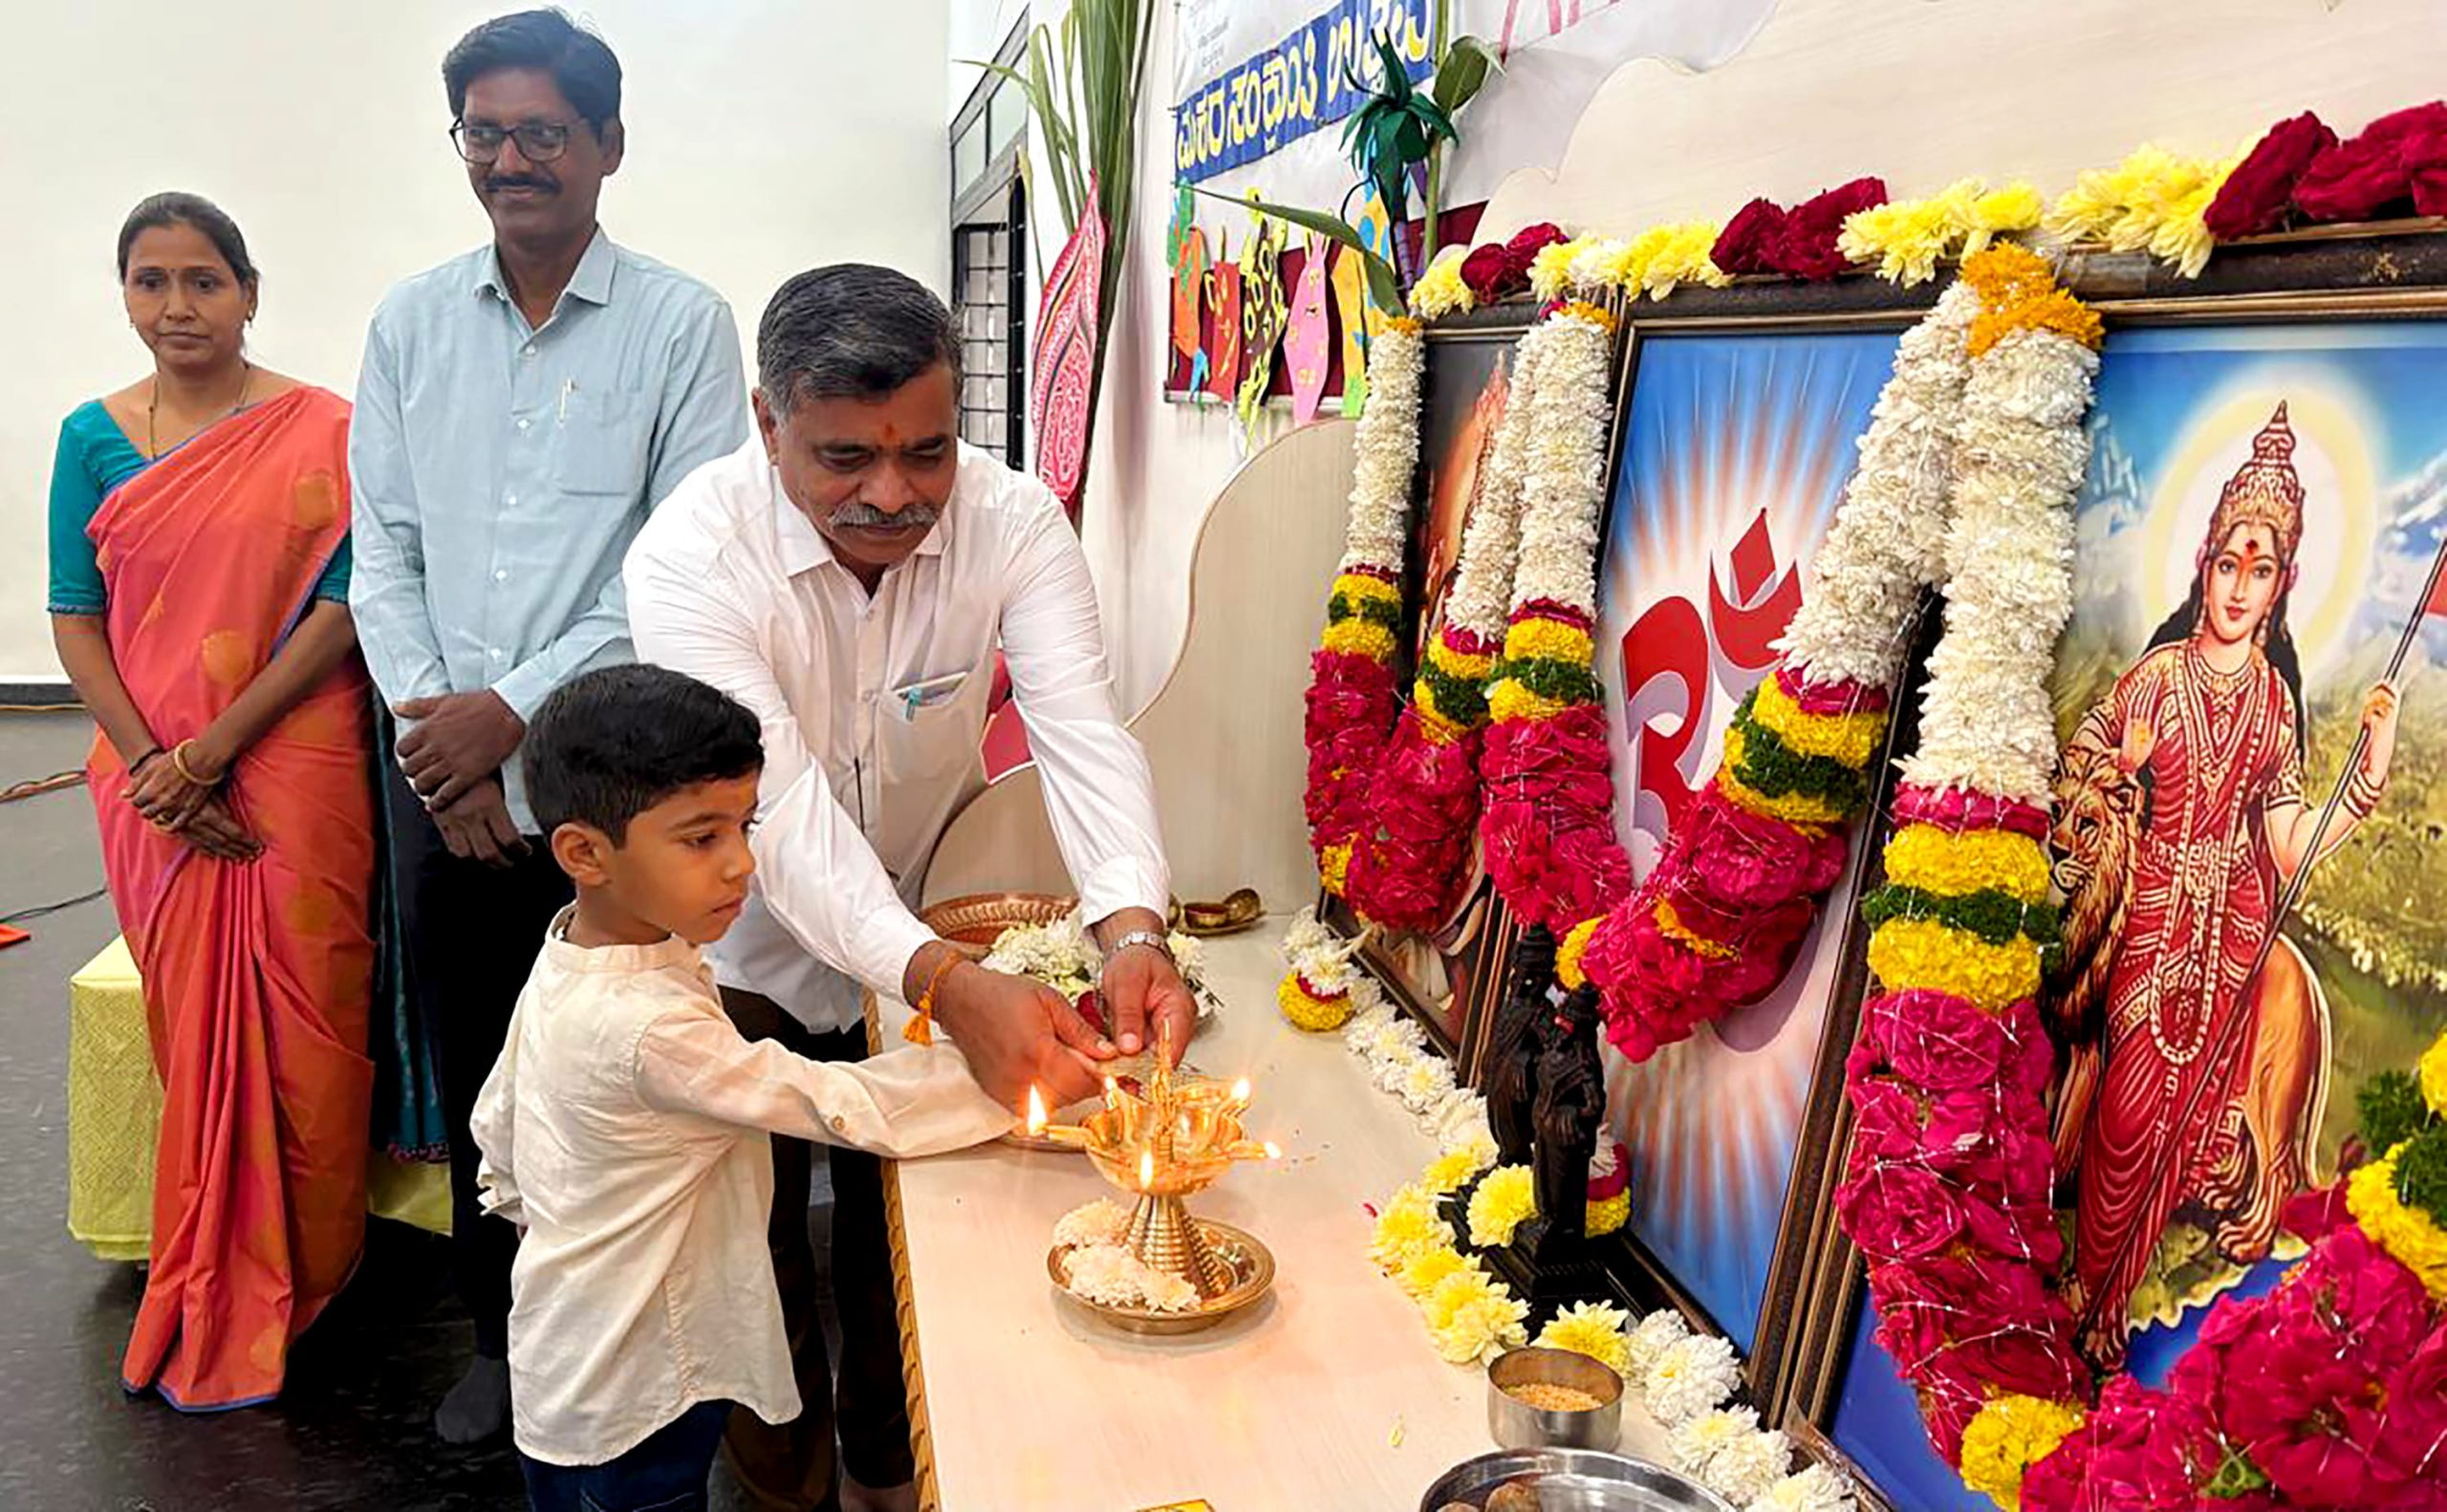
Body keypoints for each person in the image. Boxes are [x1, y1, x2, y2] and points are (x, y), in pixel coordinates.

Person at [625, 264, 1193, 1512]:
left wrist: (1133, 923)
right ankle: (782, 1481)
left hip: (930, 932)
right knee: (749, 1263)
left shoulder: (1013, 519)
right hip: (738, 955)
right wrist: (950, 980)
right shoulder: (690, 555)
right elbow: (773, 815)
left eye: (926, 452)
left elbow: (1079, 730)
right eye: (844, 460)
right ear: (767, 423)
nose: (893, 496)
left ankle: (898, 1477)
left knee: (915, 1246)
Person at [348, 8, 749, 1443]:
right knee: (479, 1057)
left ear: (607, 148)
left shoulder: (682, 325)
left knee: (625, 1053)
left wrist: (509, 715)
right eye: (485, 132)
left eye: (543, 133)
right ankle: (506, 1338)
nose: (512, 159)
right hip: (432, 765)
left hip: (611, 770)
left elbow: (675, 554)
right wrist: (435, 733)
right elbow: (379, 551)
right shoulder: (406, 322)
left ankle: (651, 1334)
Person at [471, 664, 1012, 1512]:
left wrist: (566, 1223)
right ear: (583, 852)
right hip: (634, 1389)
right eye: (701, 838)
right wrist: (1011, 1080)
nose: (742, 865)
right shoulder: (647, 1025)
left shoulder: (573, 951)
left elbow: (496, 1123)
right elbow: (834, 1103)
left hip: (568, 1350)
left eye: (744, 826)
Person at [49, 192, 375, 1410]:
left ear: (249, 291)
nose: (177, 307)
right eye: (151, 281)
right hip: (146, 777)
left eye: (202, 281)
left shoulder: (321, 426)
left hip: (295, 754)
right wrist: (155, 766)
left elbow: (345, 602)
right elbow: (73, 614)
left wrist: (213, 750)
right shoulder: (90, 436)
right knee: (198, 1027)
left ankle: (321, 1262)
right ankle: (215, 1263)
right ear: (123, 293)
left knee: (314, 1009)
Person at [2054, 403, 2398, 1366]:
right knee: (2123, 1112)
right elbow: (2077, 786)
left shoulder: (2273, 706)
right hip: (2147, 924)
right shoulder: (2156, 679)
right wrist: (2116, 774)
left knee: (2179, 1126)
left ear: (2282, 583)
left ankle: (2112, 1304)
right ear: (2202, 561)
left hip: (2224, 943)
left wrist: (2363, 778)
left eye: (2261, 569)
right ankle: (2077, 1278)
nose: (2239, 587)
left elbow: (2286, 844)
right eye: (2226, 563)